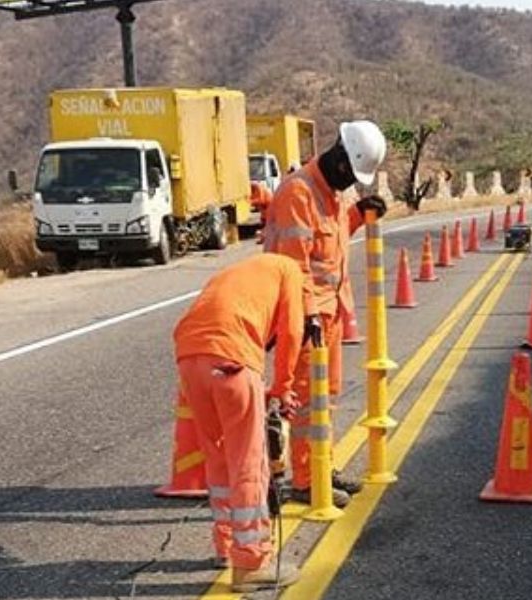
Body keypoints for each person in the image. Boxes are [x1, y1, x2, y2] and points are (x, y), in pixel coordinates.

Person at [262, 120, 388, 507]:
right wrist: (310, 316)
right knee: (305, 400)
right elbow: (293, 264)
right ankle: (305, 480)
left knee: (326, 397)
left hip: (327, 315)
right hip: (304, 317)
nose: (352, 183)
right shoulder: (298, 192)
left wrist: (358, 214)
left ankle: (321, 465)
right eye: (351, 174)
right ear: (338, 158)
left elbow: (327, 248)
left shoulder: (333, 194)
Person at [173, 253, 307, 593]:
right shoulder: (290, 270)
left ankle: (226, 546)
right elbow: (291, 331)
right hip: (232, 355)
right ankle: (251, 562)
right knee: (249, 461)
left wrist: (260, 389)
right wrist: (284, 387)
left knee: (216, 454)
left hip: (190, 356)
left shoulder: (242, 272)